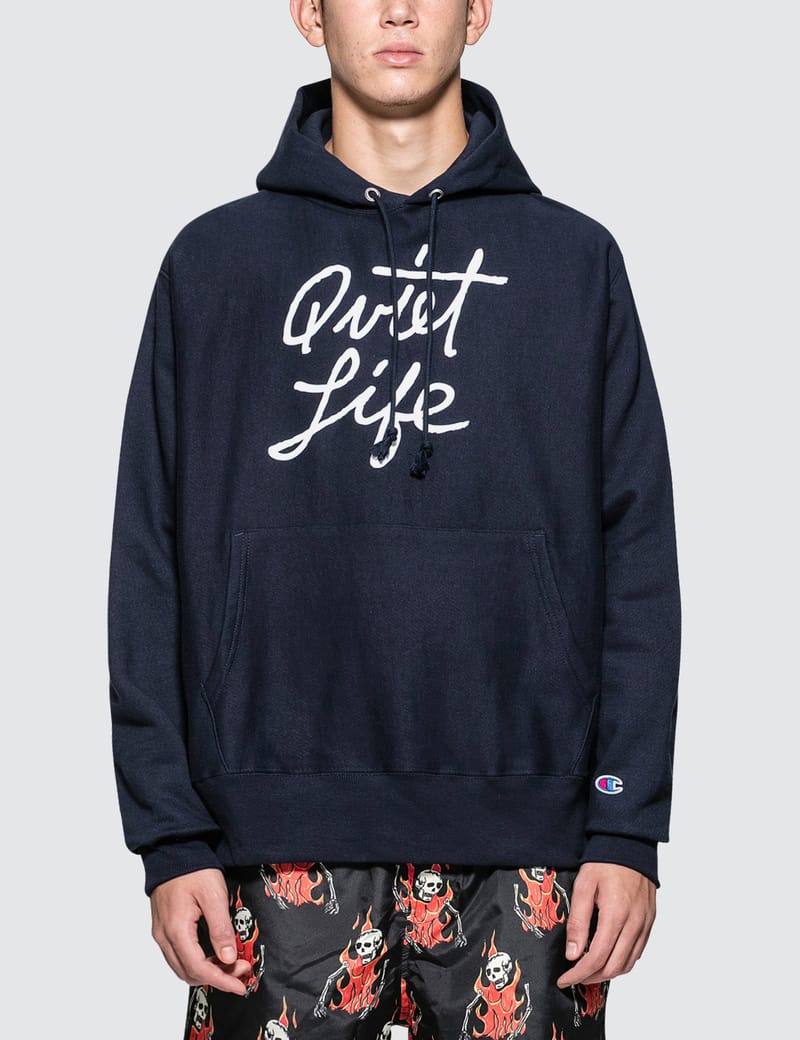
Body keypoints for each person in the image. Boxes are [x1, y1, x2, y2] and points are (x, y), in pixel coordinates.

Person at [107, 1, 682, 1037]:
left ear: (478, 11)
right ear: (308, 13)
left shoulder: (574, 263)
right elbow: (148, 550)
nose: (399, 9)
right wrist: (170, 831)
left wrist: (625, 817)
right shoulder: (214, 264)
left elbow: (636, 550)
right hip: (267, 834)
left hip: (532, 838)